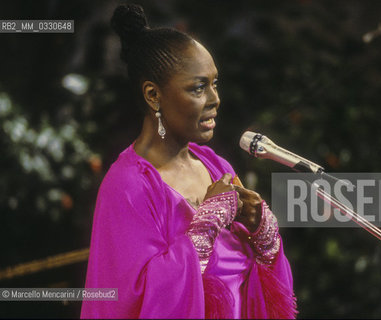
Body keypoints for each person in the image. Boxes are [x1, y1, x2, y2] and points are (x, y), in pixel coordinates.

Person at [80, 4, 296, 319]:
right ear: (154, 95)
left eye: (215, 83)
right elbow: (134, 303)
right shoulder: (126, 186)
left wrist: (263, 233)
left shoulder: (217, 167)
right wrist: (205, 227)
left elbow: (249, 281)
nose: (214, 99)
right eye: (198, 87)